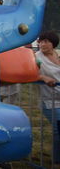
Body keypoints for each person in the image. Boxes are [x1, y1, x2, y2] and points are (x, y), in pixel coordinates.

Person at [35, 31, 60, 164]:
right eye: (41, 41)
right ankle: (56, 162)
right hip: (49, 100)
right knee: (58, 130)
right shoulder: (36, 58)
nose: (42, 44)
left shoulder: (58, 54)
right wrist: (43, 77)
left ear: (53, 44)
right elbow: (29, 73)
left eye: (46, 41)